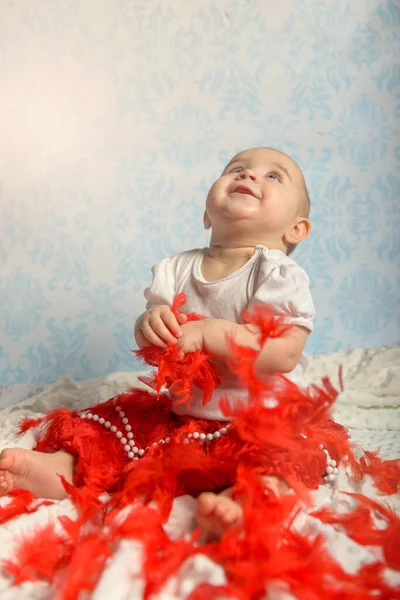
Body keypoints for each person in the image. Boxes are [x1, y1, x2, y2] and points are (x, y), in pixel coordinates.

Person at [0, 147, 314, 539]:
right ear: (206, 214)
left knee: (282, 464)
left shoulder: (278, 274)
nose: (249, 176)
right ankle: (61, 470)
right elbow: (153, 337)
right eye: (237, 169)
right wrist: (149, 324)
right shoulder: (177, 268)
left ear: (296, 229)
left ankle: (245, 502)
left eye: (273, 176)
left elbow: (283, 352)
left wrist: (209, 332)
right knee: (116, 436)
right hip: (183, 417)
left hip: (261, 420)